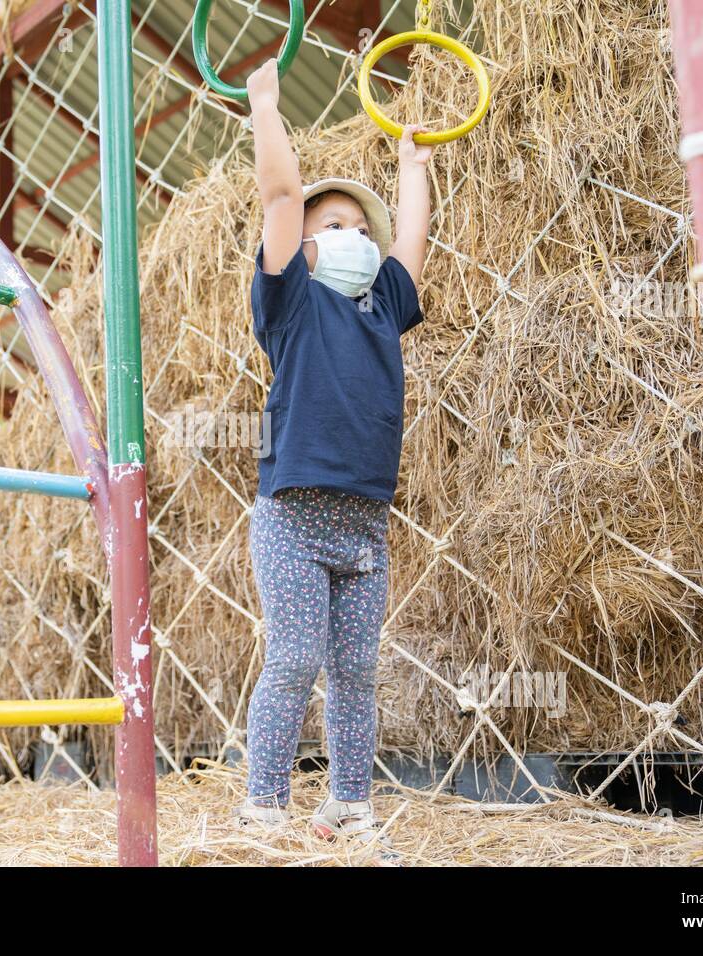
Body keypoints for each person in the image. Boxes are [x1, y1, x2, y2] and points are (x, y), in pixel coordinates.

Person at [234, 58, 431, 846]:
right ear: (302, 246)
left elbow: (412, 238)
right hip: (293, 518)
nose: (350, 237)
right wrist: (266, 106)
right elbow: (282, 195)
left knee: (355, 671)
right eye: (333, 226)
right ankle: (264, 806)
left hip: (365, 528)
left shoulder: (382, 306)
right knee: (292, 659)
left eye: (359, 228)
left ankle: (350, 805)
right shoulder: (289, 302)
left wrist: (413, 166)